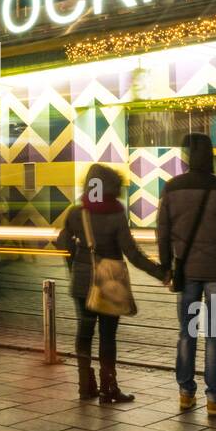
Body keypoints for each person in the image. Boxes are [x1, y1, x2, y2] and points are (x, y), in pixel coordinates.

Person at [155, 132, 216, 417]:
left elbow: (162, 232)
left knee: (187, 333)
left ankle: (185, 394)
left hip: (186, 271)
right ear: (211, 155)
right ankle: (215, 398)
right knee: (213, 335)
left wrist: (165, 268)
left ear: (185, 157)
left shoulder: (172, 188)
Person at [56, 164, 164, 404]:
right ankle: (108, 388)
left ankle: (85, 386)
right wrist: (161, 273)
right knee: (107, 337)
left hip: (81, 284)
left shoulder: (76, 213)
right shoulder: (116, 214)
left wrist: (75, 268)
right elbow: (132, 253)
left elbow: (63, 244)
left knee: (84, 334)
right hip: (109, 284)